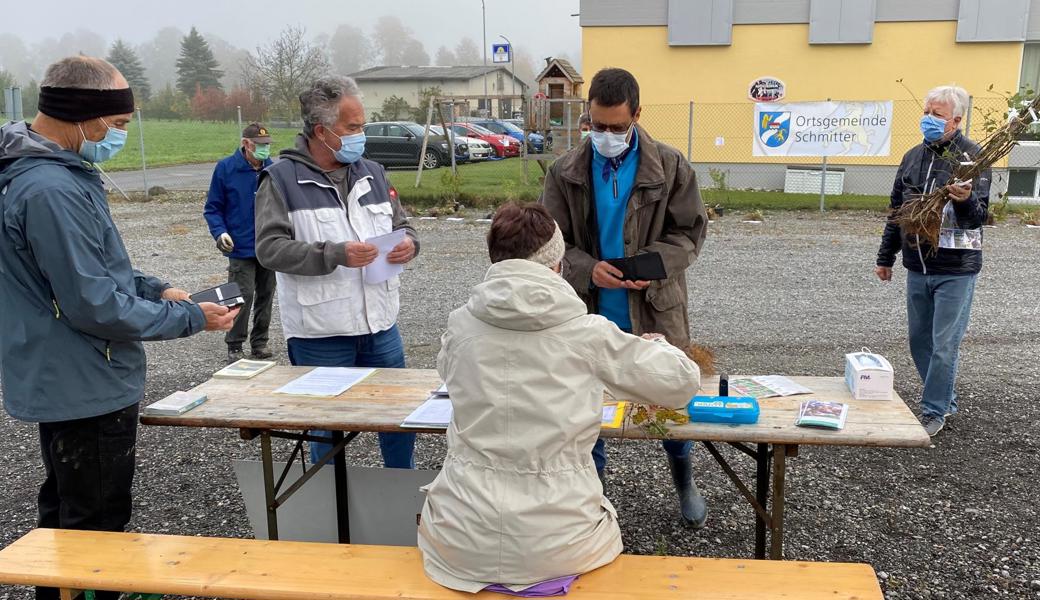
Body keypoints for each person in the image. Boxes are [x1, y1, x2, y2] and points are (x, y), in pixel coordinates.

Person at [0, 56, 237, 600]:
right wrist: (190, 317)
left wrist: (155, 289)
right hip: (86, 383)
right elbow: (94, 304)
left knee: (66, 512)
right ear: (85, 116)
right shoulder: (50, 189)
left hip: (61, 376)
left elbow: (92, 265)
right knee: (95, 530)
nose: (122, 137)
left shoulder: (44, 172)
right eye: (121, 125)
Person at [418, 203, 700, 593]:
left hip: (460, 536)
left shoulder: (461, 324)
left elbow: (447, 370)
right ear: (557, 266)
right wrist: (661, 346)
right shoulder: (587, 334)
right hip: (559, 538)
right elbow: (681, 382)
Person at [540, 67, 710, 528]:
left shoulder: (671, 166)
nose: (607, 135)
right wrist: (587, 269)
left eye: (617, 126)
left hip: (655, 305)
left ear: (637, 114)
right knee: (583, 408)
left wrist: (652, 267)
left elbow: (690, 233)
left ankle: (684, 480)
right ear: (587, 116)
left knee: (669, 401)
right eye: (598, 126)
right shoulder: (565, 171)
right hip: (587, 306)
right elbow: (551, 241)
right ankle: (591, 500)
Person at [255, 76, 419, 468]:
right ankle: (328, 511)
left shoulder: (374, 173)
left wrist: (409, 243)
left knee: (400, 421)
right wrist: (334, 254)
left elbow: (405, 225)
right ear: (322, 131)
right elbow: (268, 249)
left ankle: (400, 497)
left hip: (381, 327)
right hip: (321, 334)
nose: (361, 135)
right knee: (325, 434)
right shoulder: (280, 180)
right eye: (353, 128)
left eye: (361, 125)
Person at [875, 85, 990, 437]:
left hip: (956, 269)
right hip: (918, 265)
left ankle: (934, 409)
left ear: (956, 120)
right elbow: (898, 211)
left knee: (944, 344)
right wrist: (886, 257)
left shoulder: (973, 157)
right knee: (918, 339)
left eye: (936, 115)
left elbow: (978, 217)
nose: (928, 118)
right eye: (926, 111)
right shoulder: (912, 157)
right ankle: (943, 396)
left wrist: (965, 200)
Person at [204, 122, 276, 363]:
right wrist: (219, 232)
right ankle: (234, 344)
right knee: (240, 295)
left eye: (268, 145)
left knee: (266, 294)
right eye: (260, 145)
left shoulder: (272, 169)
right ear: (246, 144)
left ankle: (260, 342)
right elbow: (213, 208)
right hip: (240, 246)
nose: (265, 149)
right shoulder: (226, 168)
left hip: (267, 245)